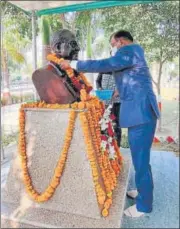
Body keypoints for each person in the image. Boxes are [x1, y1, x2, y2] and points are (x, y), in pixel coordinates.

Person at [60, 30, 160, 218]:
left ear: (121, 42)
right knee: (142, 159)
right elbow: (134, 82)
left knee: (140, 160)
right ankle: (143, 191)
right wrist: (118, 93)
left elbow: (107, 64)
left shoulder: (129, 51)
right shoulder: (135, 53)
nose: (113, 49)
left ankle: (144, 206)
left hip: (141, 114)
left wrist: (73, 64)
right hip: (142, 111)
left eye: (113, 45)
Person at [96, 52, 121, 147]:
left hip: (117, 102)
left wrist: (118, 91)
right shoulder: (104, 68)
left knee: (116, 123)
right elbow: (98, 81)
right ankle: (105, 146)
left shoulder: (121, 69)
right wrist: (100, 89)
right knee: (104, 122)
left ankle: (117, 147)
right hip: (104, 101)